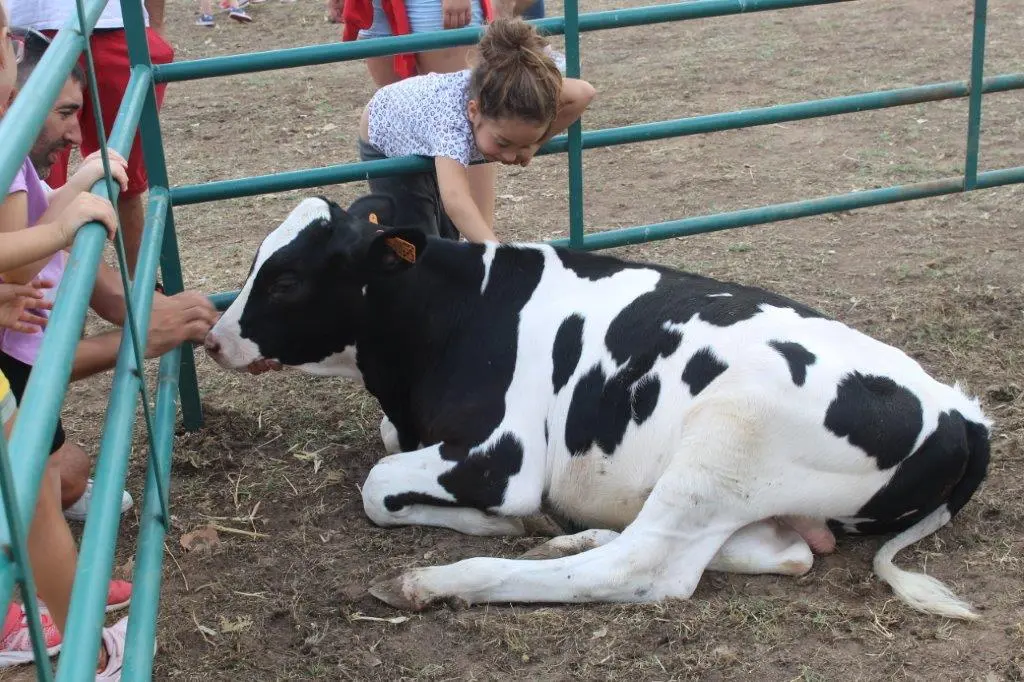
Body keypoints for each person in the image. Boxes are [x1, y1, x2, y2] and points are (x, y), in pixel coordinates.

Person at [0, 13, 219, 674]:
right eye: (65, 111)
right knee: (35, 490)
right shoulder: (8, 152)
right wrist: (135, 339)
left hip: (17, 360)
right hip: (15, 363)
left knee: (41, 487)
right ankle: (86, 653)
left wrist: (73, 196)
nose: (74, 128)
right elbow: (22, 295)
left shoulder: (25, 163)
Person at [357, 17, 595, 243]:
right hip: (386, 141)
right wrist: (498, 254)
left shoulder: (512, 89)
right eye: (503, 142)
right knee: (418, 242)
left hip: (422, 134)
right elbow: (456, 200)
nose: (512, 157)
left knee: (446, 231)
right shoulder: (452, 124)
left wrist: (534, 143)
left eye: (520, 144)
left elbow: (583, 93)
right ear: (474, 111)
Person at [9, 0, 175, 278]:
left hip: (114, 21)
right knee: (34, 189)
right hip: (32, 28)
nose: (76, 137)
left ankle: (143, 289)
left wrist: (153, 25)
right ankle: (58, 309)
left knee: (124, 179)